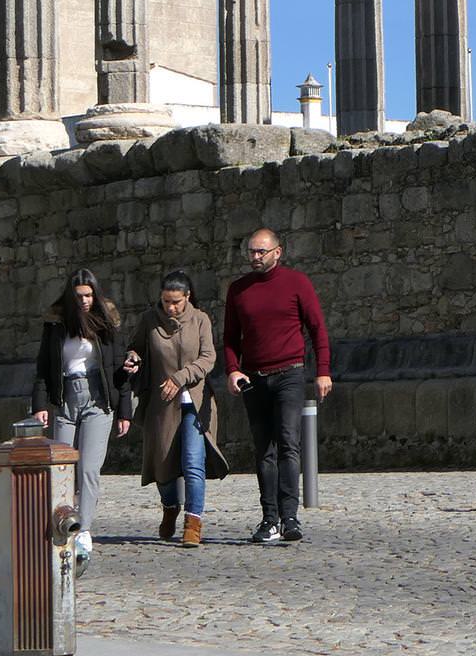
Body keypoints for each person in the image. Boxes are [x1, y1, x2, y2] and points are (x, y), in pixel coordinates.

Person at [222, 228, 332, 545]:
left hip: (289, 374)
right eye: (251, 251)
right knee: (263, 450)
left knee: (288, 442)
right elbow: (230, 338)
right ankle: (269, 518)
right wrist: (232, 369)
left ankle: (290, 517)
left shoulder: (297, 283)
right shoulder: (239, 289)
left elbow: (317, 329)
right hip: (254, 378)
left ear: (277, 252)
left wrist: (322, 371)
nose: (255, 257)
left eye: (261, 252)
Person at [31, 268, 133, 563]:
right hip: (65, 399)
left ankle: (83, 527)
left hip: (98, 399)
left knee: (89, 467)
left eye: (89, 295)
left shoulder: (106, 324)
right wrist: (40, 404)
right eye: (79, 297)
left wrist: (124, 410)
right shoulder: (55, 326)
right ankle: (63, 522)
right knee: (62, 467)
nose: (85, 301)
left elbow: (119, 369)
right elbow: (43, 368)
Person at [126, 270, 228, 547]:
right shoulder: (149, 320)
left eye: (176, 302)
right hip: (162, 405)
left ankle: (193, 523)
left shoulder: (201, 320)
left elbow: (209, 358)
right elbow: (136, 349)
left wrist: (180, 377)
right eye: (166, 302)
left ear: (187, 297)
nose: (170, 307)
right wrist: (132, 359)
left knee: (193, 462)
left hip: (194, 402)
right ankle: (170, 506)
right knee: (163, 466)